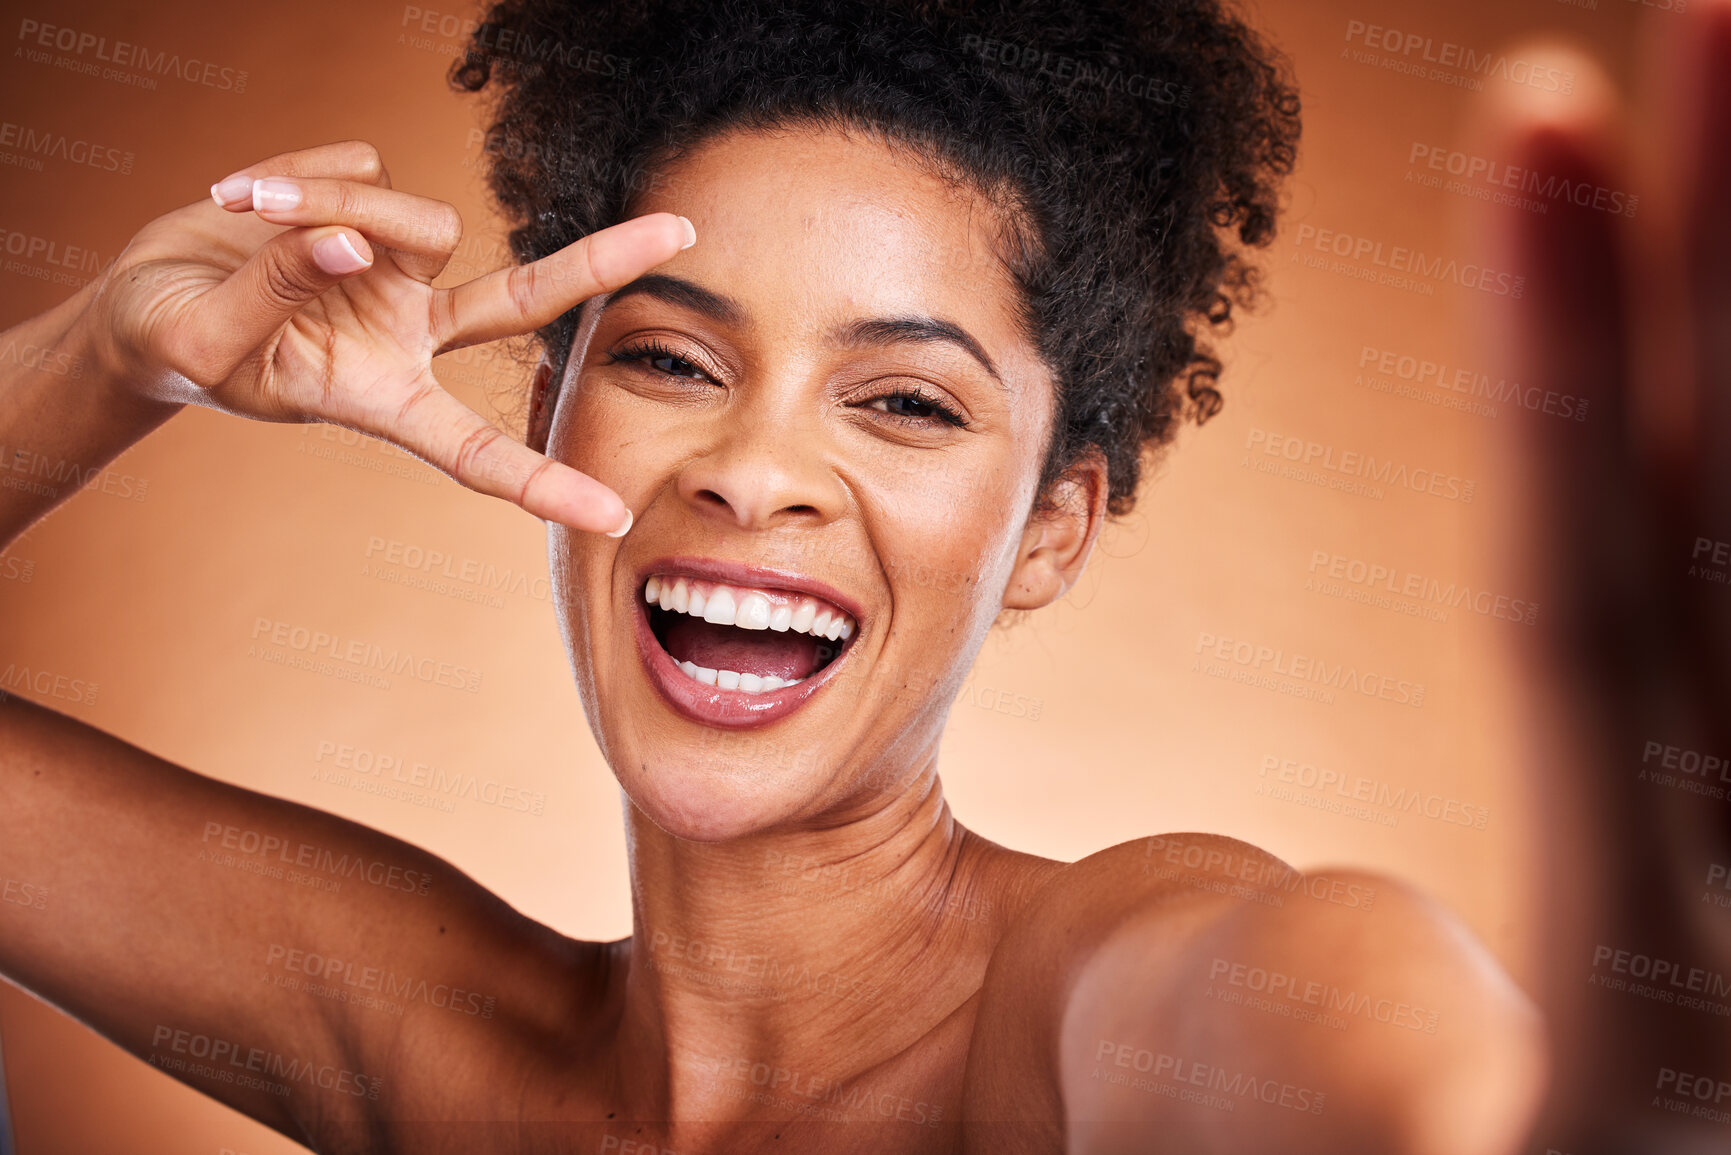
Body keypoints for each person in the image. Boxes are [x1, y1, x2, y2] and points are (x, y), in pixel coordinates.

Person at [3, 0, 1725, 1149]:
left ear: (1052, 526)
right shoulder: (434, 1047)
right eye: (671, 361)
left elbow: (1347, 1039)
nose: (751, 471)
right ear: (546, 413)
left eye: (903, 400)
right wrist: (107, 355)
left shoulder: (1078, 1004)